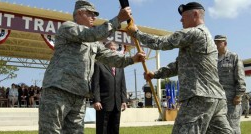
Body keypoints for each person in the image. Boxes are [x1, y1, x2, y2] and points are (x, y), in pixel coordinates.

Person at [39, 0, 145, 134]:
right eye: (90, 14)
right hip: (58, 91)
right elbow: (90, 34)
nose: (94, 17)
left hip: (79, 95)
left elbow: (110, 57)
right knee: (51, 131)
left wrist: (132, 59)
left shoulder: (93, 42)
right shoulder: (68, 27)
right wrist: (118, 19)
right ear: (79, 12)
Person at [127, 2, 233, 134]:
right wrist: (155, 74)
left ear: (195, 14)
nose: (180, 19)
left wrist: (136, 33)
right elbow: (178, 66)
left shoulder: (195, 33)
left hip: (198, 97)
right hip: (216, 98)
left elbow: (160, 42)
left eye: (184, 16)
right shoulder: (206, 37)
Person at [91, 41, 127, 134]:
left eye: (114, 49)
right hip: (103, 104)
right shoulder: (98, 64)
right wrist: (96, 100)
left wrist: (124, 100)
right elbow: (95, 83)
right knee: (102, 129)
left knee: (115, 129)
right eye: (111, 49)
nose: (113, 51)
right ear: (105, 50)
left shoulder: (120, 66)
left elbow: (123, 85)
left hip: (117, 104)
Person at [214, 34, 246, 133]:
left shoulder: (233, 57)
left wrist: (239, 95)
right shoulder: (213, 58)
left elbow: (240, 76)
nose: (216, 45)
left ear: (225, 43)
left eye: (219, 42)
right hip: (217, 99)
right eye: (215, 42)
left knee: (233, 126)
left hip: (232, 100)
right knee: (218, 127)